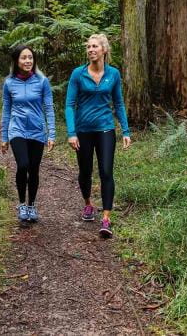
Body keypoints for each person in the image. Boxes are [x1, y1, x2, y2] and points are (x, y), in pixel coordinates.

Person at [65, 34, 131, 238]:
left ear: (104, 50)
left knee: (106, 172)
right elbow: (69, 105)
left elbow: (118, 103)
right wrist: (71, 132)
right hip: (83, 131)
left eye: (95, 46)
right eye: (88, 47)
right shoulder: (78, 74)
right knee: (85, 172)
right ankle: (88, 204)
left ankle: (106, 218)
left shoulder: (113, 74)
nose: (91, 49)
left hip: (105, 129)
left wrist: (126, 131)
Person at [1, 45, 55, 223]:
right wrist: (4, 137)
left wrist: (51, 134)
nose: (28, 61)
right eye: (24, 58)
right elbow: (6, 111)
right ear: (17, 61)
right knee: (23, 165)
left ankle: (31, 205)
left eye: (30, 57)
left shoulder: (42, 81)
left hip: (37, 131)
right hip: (17, 130)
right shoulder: (9, 83)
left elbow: (48, 108)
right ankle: (22, 203)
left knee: (34, 169)